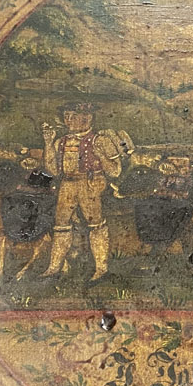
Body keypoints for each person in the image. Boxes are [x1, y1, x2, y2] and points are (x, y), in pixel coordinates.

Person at [41, 103, 123, 280]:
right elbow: (53, 170)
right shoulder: (61, 142)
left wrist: (101, 156)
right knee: (61, 225)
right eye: (66, 116)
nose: (68, 120)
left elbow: (115, 171)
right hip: (67, 185)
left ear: (87, 117)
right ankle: (54, 267)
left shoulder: (101, 140)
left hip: (90, 183)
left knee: (96, 224)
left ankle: (101, 269)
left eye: (73, 116)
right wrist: (48, 144)